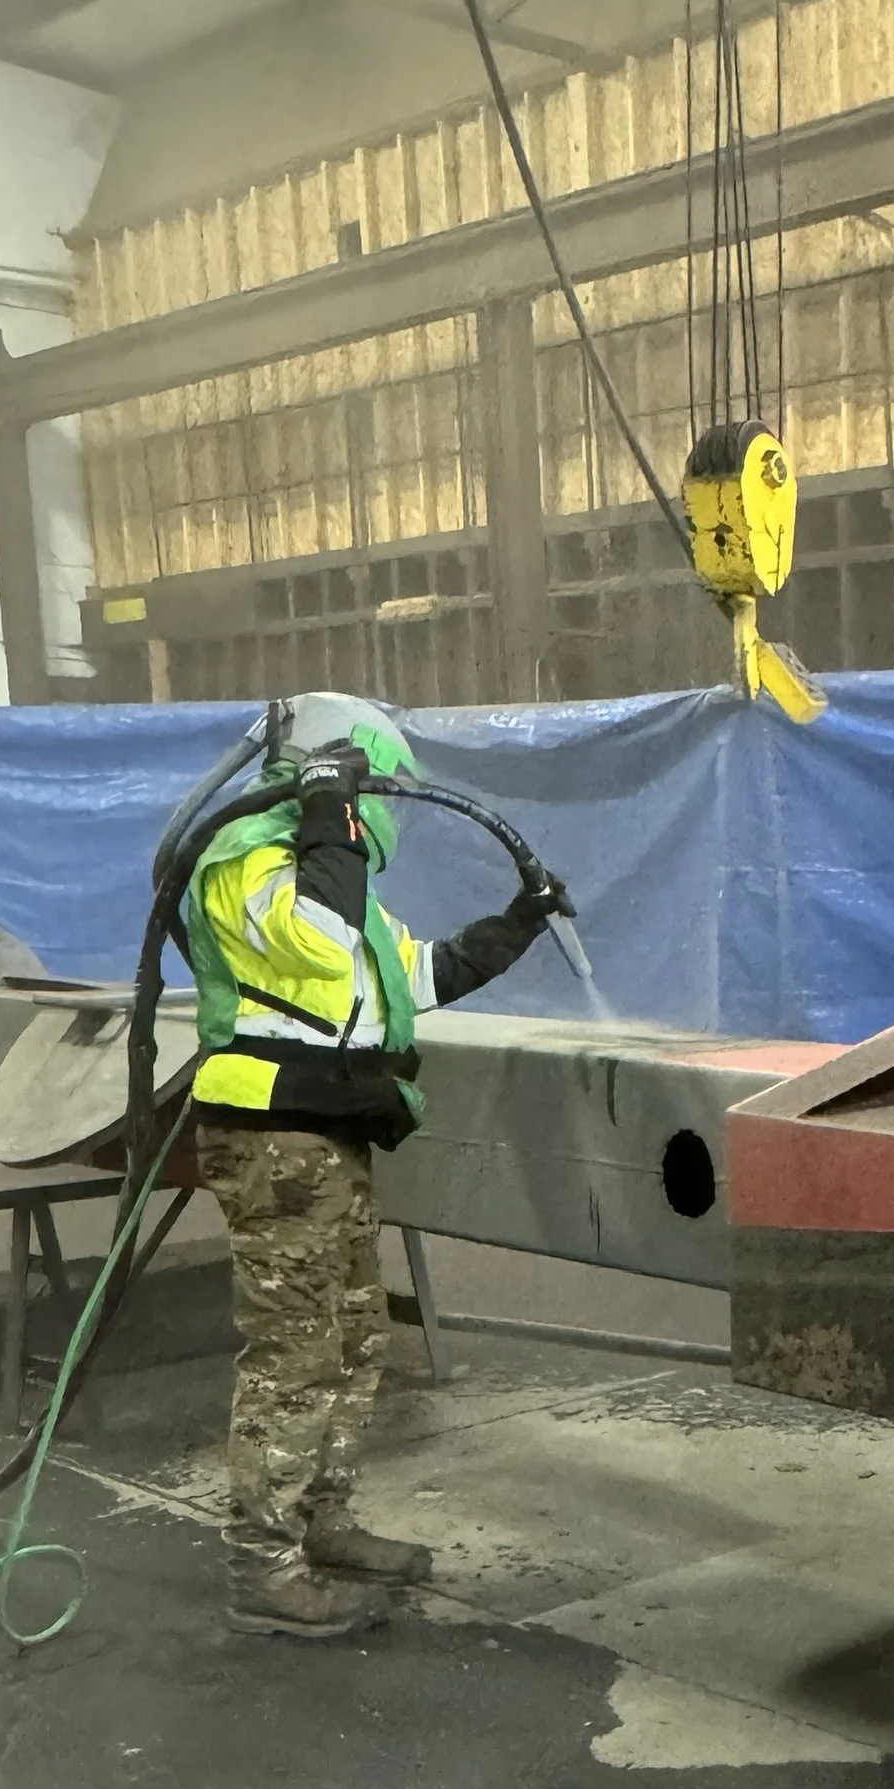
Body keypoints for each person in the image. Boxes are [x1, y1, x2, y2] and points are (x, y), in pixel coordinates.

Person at [182, 693, 569, 1639]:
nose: (383, 807)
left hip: (329, 1135)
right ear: (332, 772)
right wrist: (328, 821)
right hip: (274, 1138)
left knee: (355, 1338)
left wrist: (517, 923)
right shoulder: (242, 863)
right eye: (371, 785)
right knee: (293, 1355)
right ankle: (261, 1567)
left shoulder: (333, 876)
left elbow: (415, 974)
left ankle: (323, 1523)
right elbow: (315, 937)